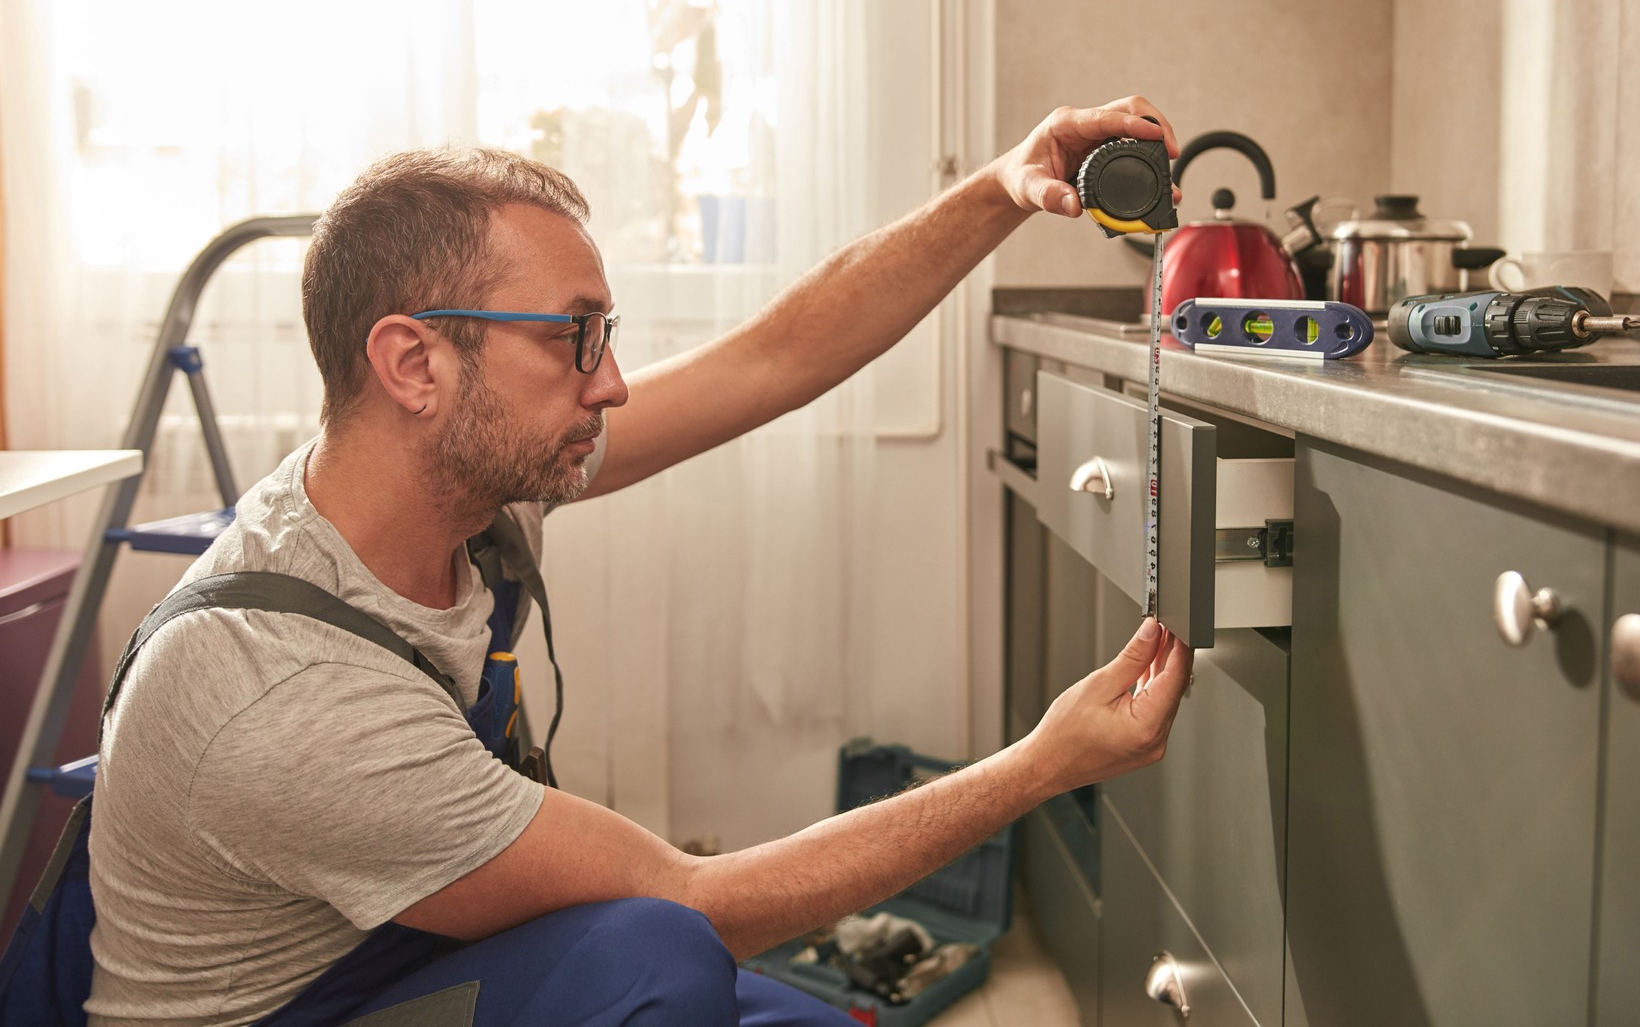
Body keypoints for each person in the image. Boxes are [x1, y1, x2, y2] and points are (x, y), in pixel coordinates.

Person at [83, 99, 1194, 1026]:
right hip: (292, 1006)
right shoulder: (283, 691)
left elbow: (776, 357)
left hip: (379, 950)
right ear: (413, 361)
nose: (610, 381)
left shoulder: (451, 483)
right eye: (574, 335)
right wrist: (1042, 765)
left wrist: (1000, 184)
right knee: (659, 958)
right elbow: (691, 895)